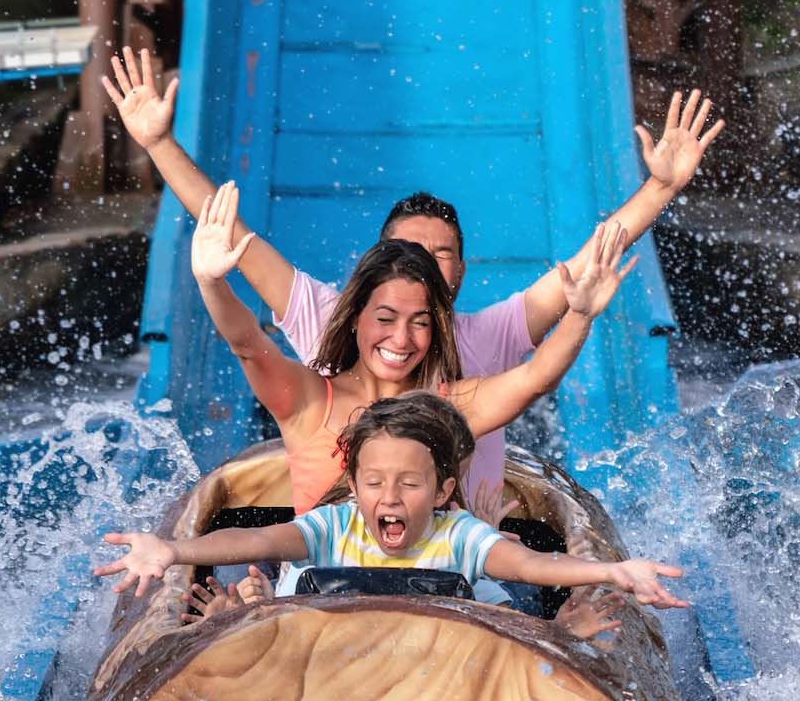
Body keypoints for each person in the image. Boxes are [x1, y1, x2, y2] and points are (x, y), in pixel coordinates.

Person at [103, 48, 726, 497]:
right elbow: (230, 237)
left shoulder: (483, 351)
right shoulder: (325, 333)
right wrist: (158, 145)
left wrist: (660, 188)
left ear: (462, 273)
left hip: (461, 557)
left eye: (440, 254)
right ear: (375, 273)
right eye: (407, 251)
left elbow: (581, 280)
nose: (422, 263)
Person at [189, 181, 632, 515]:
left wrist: (580, 315)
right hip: (322, 594)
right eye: (385, 319)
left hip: (429, 595)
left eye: (419, 323)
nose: (401, 340)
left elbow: (536, 379)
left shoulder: (450, 408)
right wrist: (211, 282)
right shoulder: (309, 400)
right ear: (355, 315)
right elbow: (247, 344)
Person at [94, 393, 691, 615]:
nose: (390, 497)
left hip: (428, 665)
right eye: (375, 482)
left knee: (508, 604)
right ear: (354, 488)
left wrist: (612, 571)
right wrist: (172, 549)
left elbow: (535, 565)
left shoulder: (457, 536)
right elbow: (251, 540)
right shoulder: (333, 527)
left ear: (443, 492)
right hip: (332, 659)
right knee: (260, 597)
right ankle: (249, 609)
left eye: (410, 484)